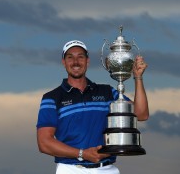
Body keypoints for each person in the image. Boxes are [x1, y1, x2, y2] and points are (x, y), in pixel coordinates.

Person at [36, 40, 149, 174]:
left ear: (87, 61)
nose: (76, 62)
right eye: (70, 57)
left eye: (80, 57)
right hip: (71, 169)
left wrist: (138, 78)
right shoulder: (52, 98)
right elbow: (44, 143)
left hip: (107, 169)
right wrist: (82, 154)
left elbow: (141, 114)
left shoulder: (107, 92)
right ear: (64, 62)